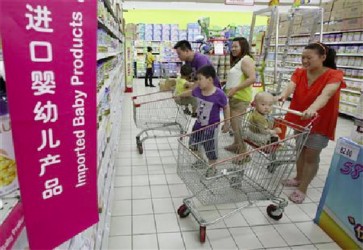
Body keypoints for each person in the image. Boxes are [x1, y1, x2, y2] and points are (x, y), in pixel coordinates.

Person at [278, 42, 346, 204]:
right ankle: (298, 177)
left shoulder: (334, 75)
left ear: (323, 57)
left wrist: (312, 109)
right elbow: (290, 86)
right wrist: (282, 96)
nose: (304, 61)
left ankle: (303, 188)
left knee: (311, 155)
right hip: (300, 118)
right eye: (303, 57)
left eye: (309, 57)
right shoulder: (300, 72)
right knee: (300, 149)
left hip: (320, 120)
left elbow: (326, 94)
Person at [176, 65, 230, 177]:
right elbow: (190, 92)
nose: (198, 82)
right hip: (198, 124)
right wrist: (179, 95)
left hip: (211, 127)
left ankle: (212, 168)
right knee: (193, 145)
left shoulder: (219, 94)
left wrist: (227, 122)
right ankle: (201, 161)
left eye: (200, 79)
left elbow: (226, 107)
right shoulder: (198, 91)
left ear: (210, 79)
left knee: (210, 149)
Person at [224, 37, 256, 162]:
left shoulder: (246, 59)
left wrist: (235, 89)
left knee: (237, 126)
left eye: (236, 46)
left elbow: (252, 78)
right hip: (234, 97)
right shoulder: (240, 60)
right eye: (232, 46)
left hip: (240, 98)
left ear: (243, 46)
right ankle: (236, 145)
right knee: (234, 124)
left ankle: (244, 154)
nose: (233, 49)